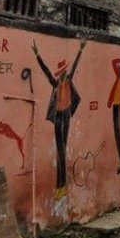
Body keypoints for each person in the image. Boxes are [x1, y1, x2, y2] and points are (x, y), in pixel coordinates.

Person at [32, 39, 85, 202]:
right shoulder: (55, 84)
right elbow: (46, 71)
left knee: (63, 151)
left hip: (66, 115)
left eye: (64, 71)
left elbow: (75, 67)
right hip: (58, 117)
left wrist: (80, 50)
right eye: (61, 72)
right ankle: (60, 187)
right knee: (61, 151)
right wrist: (37, 55)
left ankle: (62, 186)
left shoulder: (68, 81)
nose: (63, 74)